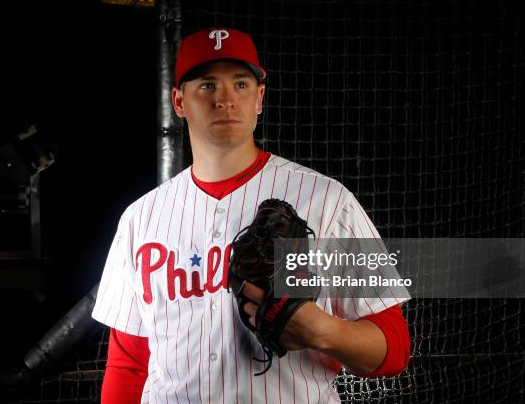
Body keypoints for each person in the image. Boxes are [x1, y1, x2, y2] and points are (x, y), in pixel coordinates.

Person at [92, 27, 411, 404]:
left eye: (240, 85)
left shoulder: (327, 200)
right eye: (207, 86)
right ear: (179, 102)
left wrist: (323, 332)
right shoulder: (140, 219)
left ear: (260, 97)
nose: (225, 100)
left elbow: (394, 348)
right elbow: (129, 363)